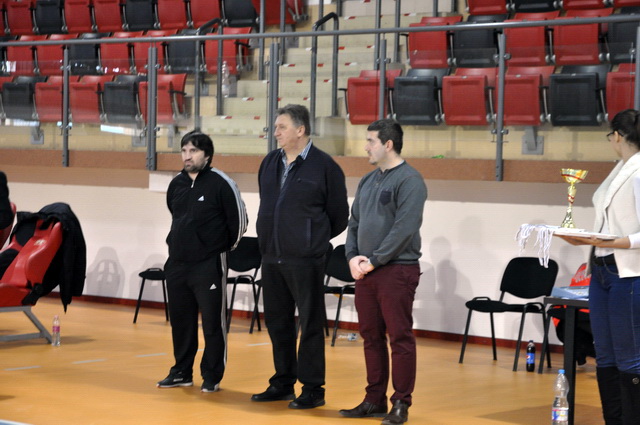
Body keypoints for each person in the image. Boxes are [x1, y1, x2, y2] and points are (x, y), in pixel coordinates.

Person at [252, 104, 349, 409]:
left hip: (306, 259)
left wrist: (311, 239)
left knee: (310, 325)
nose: (275, 132)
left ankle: (313, 389)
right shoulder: (270, 162)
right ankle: (282, 383)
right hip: (271, 256)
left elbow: (339, 216)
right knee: (277, 323)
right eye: (275, 127)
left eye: (281, 127)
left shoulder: (325, 166)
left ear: (300, 130)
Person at [339, 119, 427, 425]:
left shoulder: (410, 180)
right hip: (367, 271)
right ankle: (373, 399)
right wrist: (352, 257)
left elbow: (404, 228)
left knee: (399, 337)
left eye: (370, 141)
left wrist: (374, 261)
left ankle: (401, 402)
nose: (365, 147)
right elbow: (354, 223)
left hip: (397, 270)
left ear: (388, 144)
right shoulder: (368, 180)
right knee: (370, 337)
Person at [556, 109, 640, 425]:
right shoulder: (619, 168)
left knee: (630, 357)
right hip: (602, 270)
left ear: (617, 136)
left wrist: (610, 242)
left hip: (628, 273)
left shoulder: (638, 171)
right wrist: (587, 239)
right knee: (604, 355)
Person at [158, 131, 248, 393]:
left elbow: (240, 222)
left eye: (193, 151)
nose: (187, 156)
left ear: (207, 155)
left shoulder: (222, 183)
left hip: (209, 264)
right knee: (181, 322)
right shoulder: (176, 184)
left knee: (212, 324)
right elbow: (176, 216)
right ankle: (181, 372)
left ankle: (211, 375)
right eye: (184, 150)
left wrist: (218, 249)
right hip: (177, 264)